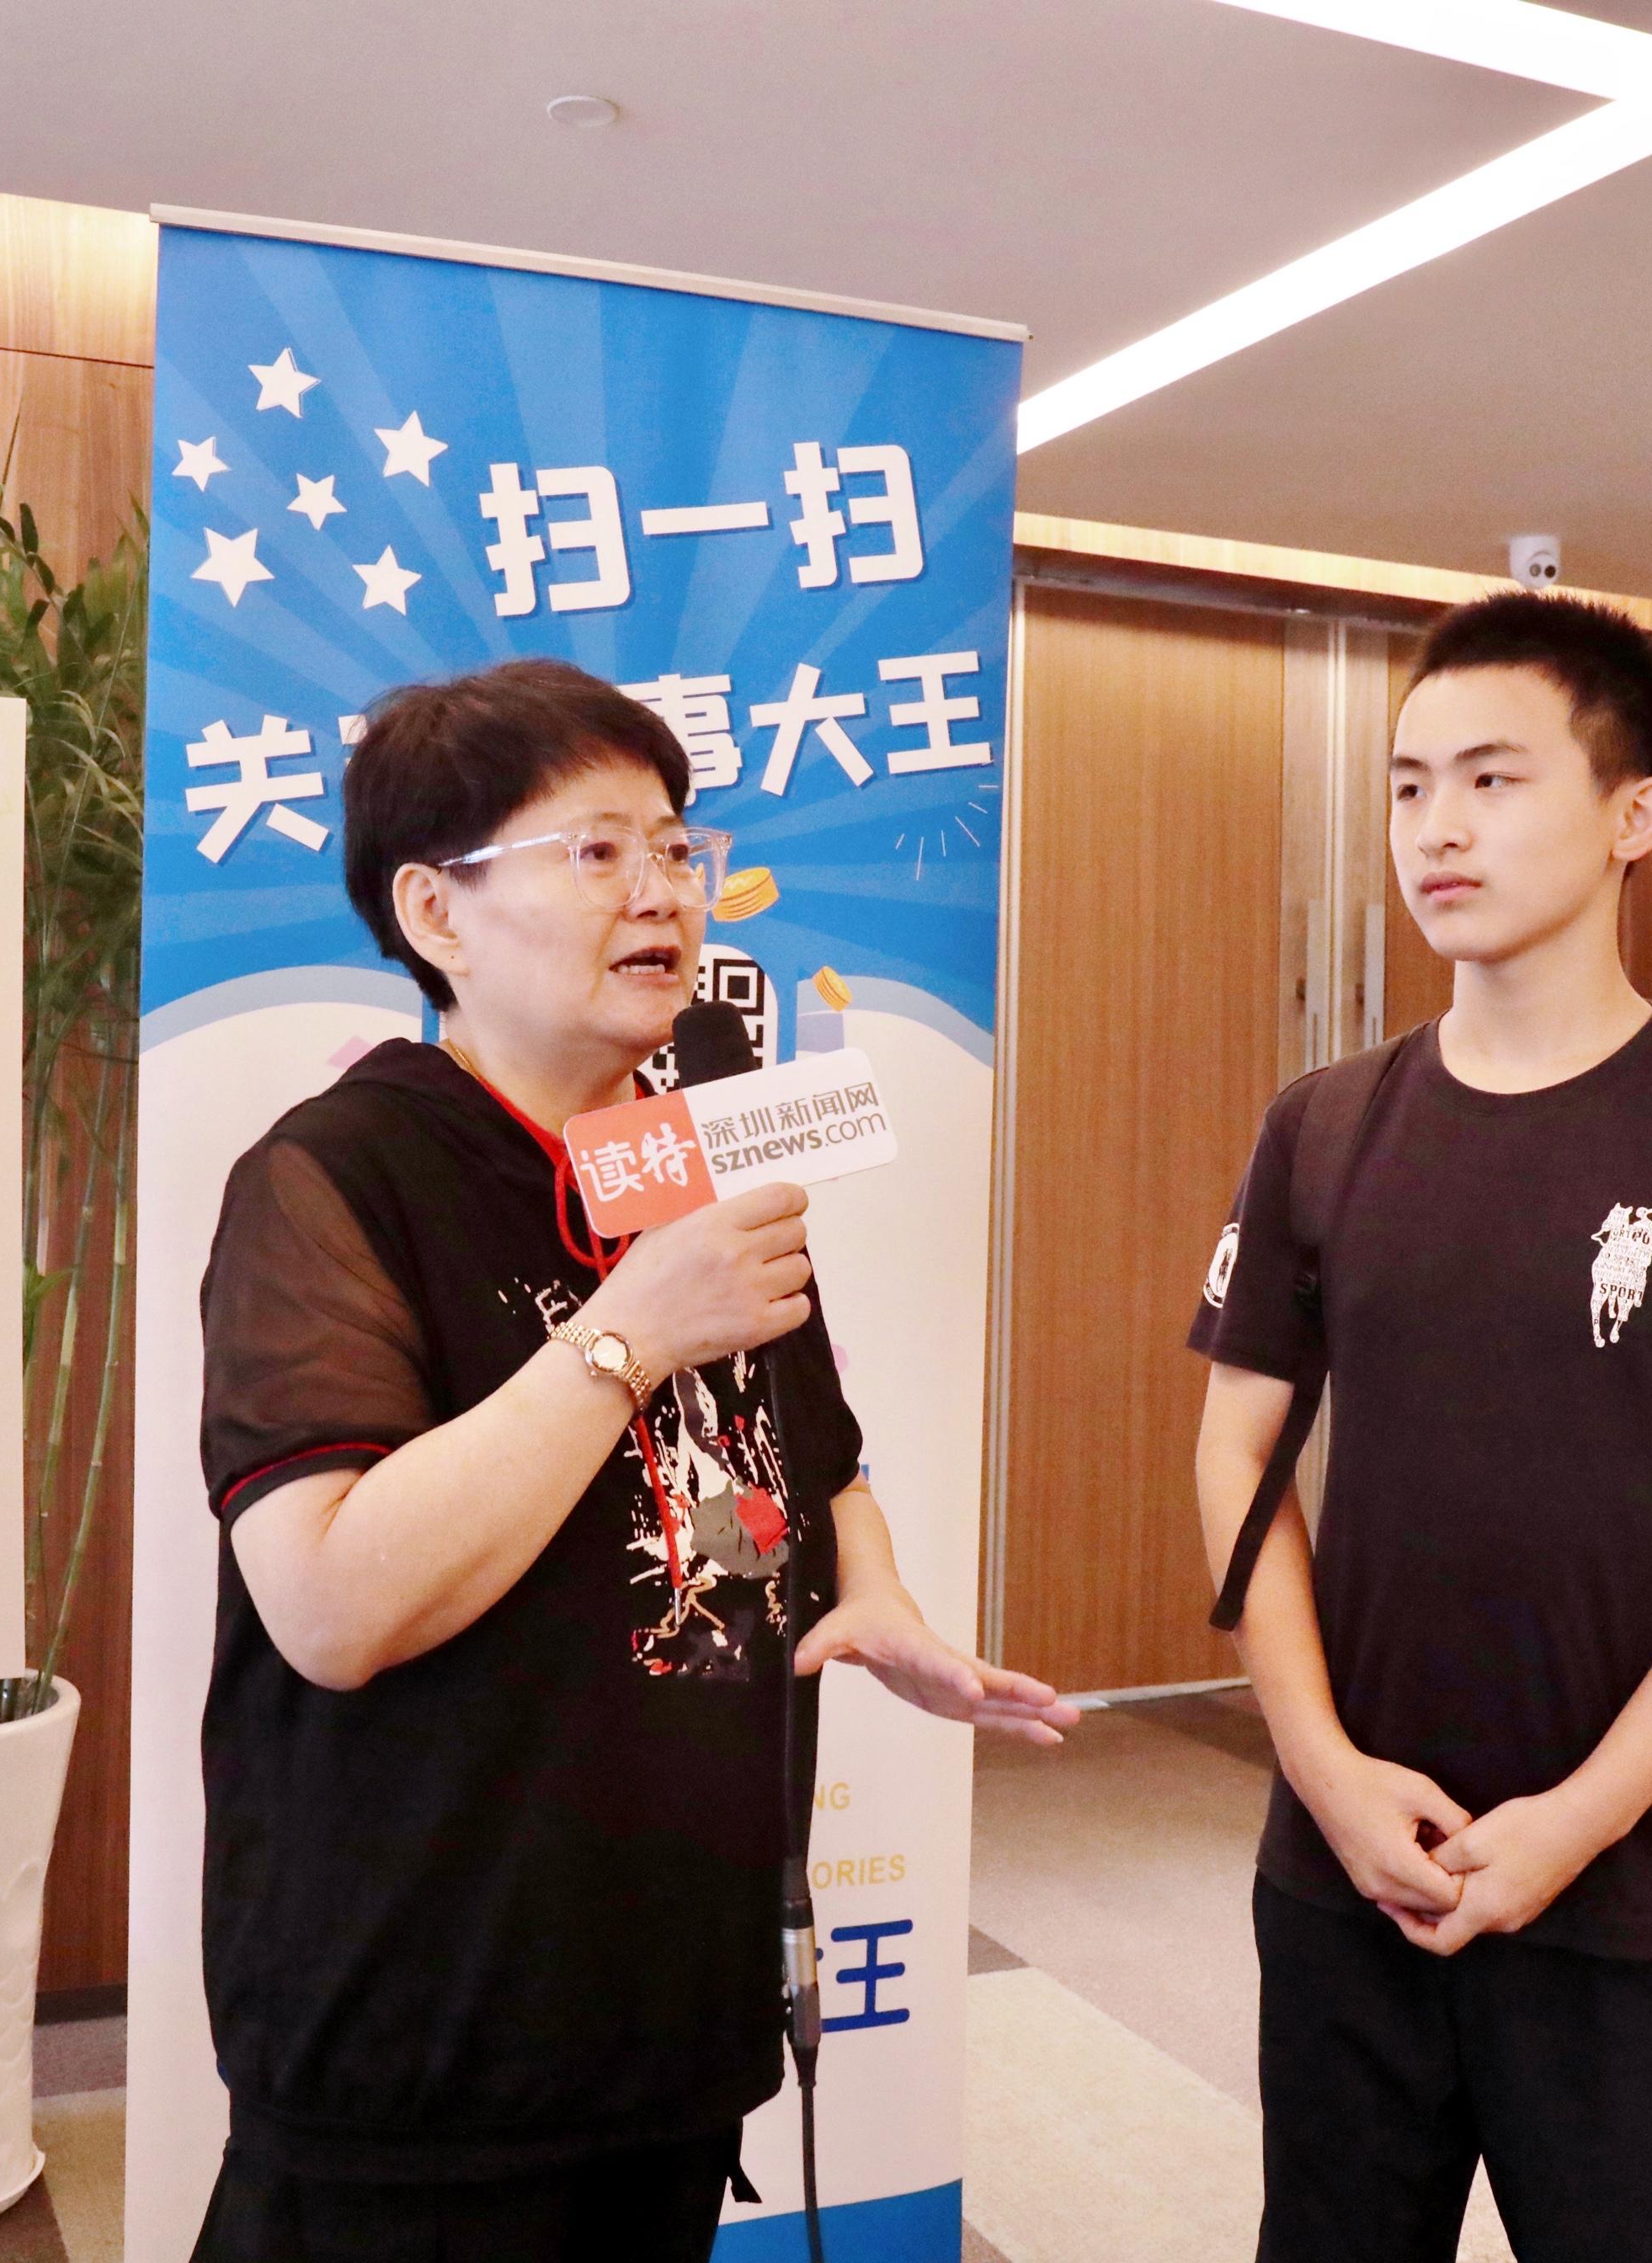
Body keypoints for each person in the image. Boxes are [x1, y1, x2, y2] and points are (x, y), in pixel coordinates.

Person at [193, 656, 1076, 2263]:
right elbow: (326, 1603)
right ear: (437, 912)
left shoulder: (688, 1141)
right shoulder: (330, 1178)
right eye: (594, 851)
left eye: (673, 846)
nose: (661, 890)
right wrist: (624, 1337)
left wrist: (871, 1592)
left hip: (671, 2007)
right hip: (429, 2035)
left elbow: (809, 1449)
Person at [1188, 594, 1652, 2262]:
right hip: (1347, 1880)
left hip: (1643, 1902)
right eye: (1407, 786)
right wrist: (1320, 1768)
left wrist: (1577, 1820)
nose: (1435, 828)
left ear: (1634, 814)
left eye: (1493, 780)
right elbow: (1237, 1452)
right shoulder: (1325, 1128)